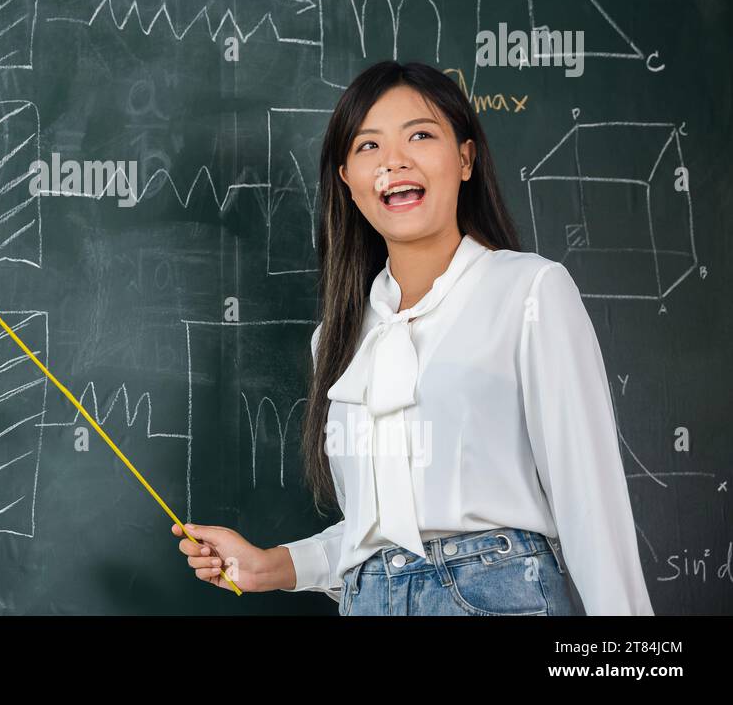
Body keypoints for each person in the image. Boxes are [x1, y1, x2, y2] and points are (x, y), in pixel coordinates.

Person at [170, 60, 653, 615]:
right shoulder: (339, 338)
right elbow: (381, 533)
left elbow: (590, 503)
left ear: (465, 159)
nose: (393, 162)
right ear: (347, 180)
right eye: (368, 146)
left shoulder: (529, 291)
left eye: (420, 135)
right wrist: (271, 565)